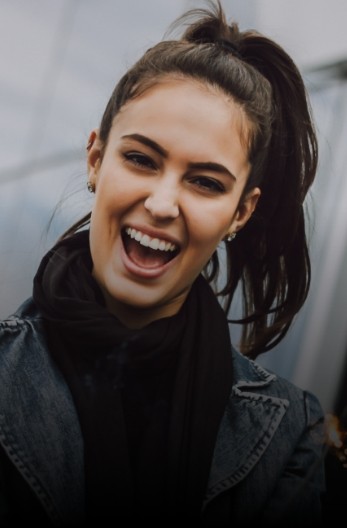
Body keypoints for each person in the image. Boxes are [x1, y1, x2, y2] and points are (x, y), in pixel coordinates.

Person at [0, 0, 326, 525]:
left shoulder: (289, 439)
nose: (161, 203)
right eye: (141, 159)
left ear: (241, 211)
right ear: (95, 159)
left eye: (205, 182)